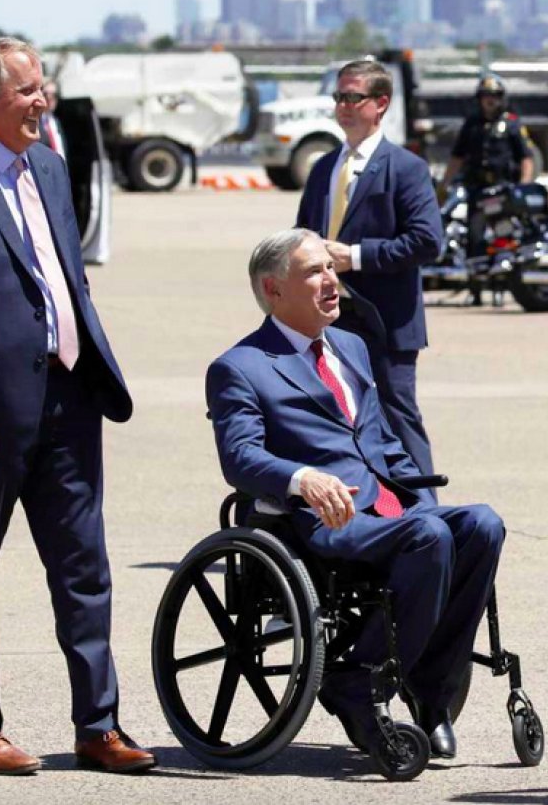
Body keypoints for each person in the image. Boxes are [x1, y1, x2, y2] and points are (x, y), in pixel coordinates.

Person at [0, 37, 153, 774]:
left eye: (42, 87)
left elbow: (66, 277)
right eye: (26, 90)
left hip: (70, 399)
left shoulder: (50, 167)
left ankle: (98, 724)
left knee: (85, 569)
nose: (42, 99)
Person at [206, 228, 505, 760]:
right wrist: (302, 478)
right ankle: (357, 680)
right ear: (274, 290)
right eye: (314, 273)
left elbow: (384, 444)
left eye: (331, 268)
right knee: (429, 536)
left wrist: (418, 499)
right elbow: (240, 458)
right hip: (326, 521)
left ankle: (431, 694)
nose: (332, 282)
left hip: (389, 509)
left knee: (481, 524)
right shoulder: (241, 366)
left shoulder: (352, 346)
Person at [296, 59, 443, 477]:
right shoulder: (325, 168)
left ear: (381, 103)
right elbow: (303, 232)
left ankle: (425, 515)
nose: (343, 106)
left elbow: (427, 240)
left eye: (353, 97)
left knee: (398, 417)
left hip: (385, 319)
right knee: (329, 417)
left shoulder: (406, 168)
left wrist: (354, 256)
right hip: (329, 318)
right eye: (339, 97)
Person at [439, 73, 535, 306]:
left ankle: (500, 288)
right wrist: (444, 184)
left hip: (503, 191)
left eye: (494, 96)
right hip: (478, 191)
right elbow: (457, 157)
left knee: (502, 238)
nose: (490, 100)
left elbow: (526, 158)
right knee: (475, 238)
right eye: (486, 96)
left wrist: (523, 186)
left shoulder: (512, 124)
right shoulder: (471, 125)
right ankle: (475, 289)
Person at [39, 80, 65, 161]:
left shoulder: (56, 122)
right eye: (46, 94)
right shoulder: (35, 122)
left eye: (54, 95)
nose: (50, 98)